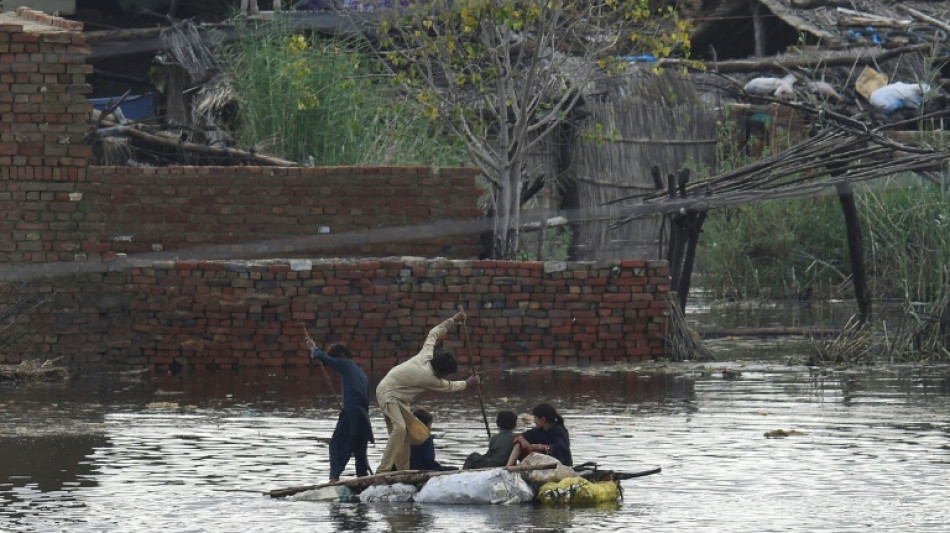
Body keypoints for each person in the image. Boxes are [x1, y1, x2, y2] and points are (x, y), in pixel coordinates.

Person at [375, 310, 479, 472]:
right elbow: (449, 386)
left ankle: (403, 470)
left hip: (399, 397)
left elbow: (433, 334)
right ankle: (383, 469)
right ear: (440, 371)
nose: (445, 377)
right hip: (388, 393)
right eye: (445, 374)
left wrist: (453, 320)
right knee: (400, 428)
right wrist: (468, 383)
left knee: (405, 434)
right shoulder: (428, 377)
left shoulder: (427, 355)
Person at [306, 340, 375, 481]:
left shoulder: (346, 364)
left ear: (341, 357)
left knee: (336, 445)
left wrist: (314, 350)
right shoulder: (361, 372)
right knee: (360, 453)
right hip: (363, 417)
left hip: (351, 414)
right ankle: (363, 480)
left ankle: (334, 479)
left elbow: (326, 359)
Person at [506, 402, 573, 467]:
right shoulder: (539, 430)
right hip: (543, 463)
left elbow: (559, 448)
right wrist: (522, 440)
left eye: (535, 418)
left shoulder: (559, 431)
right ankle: (508, 467)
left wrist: (540, 447)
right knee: (518, 444)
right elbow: (519, 436)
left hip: (560, 465)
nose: (534, 421)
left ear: (542, 419)